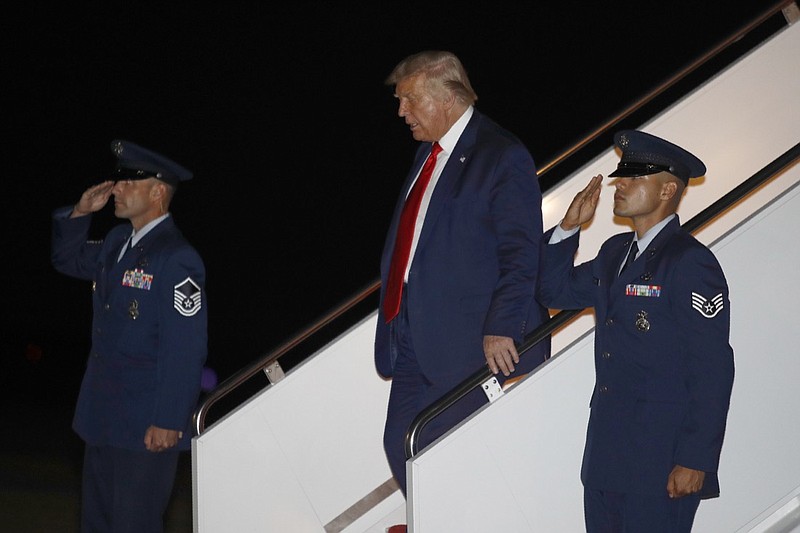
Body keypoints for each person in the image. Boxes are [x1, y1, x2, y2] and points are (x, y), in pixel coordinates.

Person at [375, 49, 551, 507]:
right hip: (413, 334)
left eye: (410, 99)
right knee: (402, 445)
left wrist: (504, 325)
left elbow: (521, 252)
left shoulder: (500, 154)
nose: (401, 111)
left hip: (471, 341)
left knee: (456, 454)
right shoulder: (426, 156)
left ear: (447, 97)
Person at [537, 130, 735, 532]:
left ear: (666, 191)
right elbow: (551, 290)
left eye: (634, 176)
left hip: (660, 461)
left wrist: (695, 459)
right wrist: (568, 229)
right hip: (607, 458)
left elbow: (713, 368)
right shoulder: (613, 253)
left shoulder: (690, 262)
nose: (619, 183)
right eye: (621, 175)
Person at [51, 140, 208, 533]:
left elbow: (185, 347)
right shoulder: (117, 243)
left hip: (145, 424)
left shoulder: (177, 257)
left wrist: (170, 418)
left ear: (157, 192)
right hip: (101, 416)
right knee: (97, 523)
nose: (116, 189)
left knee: (133, 524)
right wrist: (80, 214)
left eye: (127, 182)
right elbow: (67, 259)